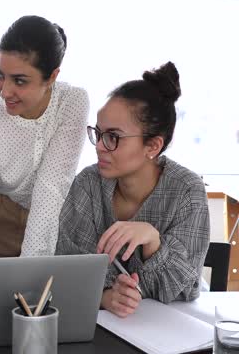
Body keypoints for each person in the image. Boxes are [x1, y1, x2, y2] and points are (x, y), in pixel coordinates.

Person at [55, 62, 210, 318]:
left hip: (168, 332)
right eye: (99, 132)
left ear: (153, 147)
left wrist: (153, 241)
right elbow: (68, 268)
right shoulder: (88, 183)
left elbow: (184, 290)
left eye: (113, 137)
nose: (100, 146)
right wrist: (106, 297)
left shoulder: (187, 192)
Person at [0, 15, 89, 263]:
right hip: (6, 219)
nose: (5, 91)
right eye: (0, 74)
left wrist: (31, 276)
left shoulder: (72, 102)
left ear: (51, 77)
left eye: (19, 80)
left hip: (58, 219)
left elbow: (51, 188)